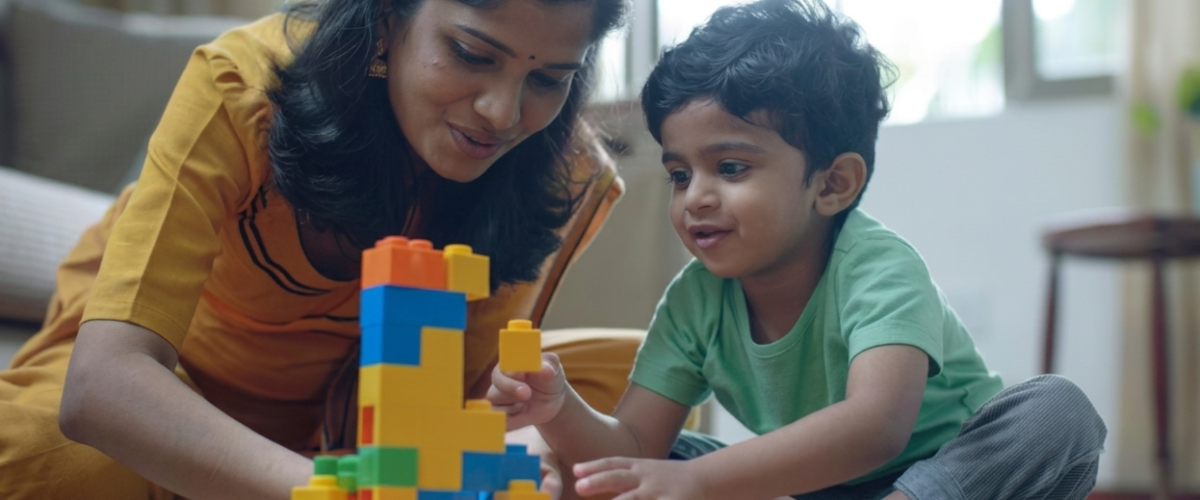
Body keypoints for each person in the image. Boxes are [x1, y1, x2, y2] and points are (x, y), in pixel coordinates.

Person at [0, 0, 629, 499]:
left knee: (636, 399)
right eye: (470, 53)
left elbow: (453, 401)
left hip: (366, 423)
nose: (502, 112)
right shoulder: (241, 87)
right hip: (180, 387)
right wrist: (331, 491)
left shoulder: (563, 172)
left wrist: (493, 464)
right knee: (51, 463)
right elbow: (101, 387)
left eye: (549, 79)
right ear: (388, 19)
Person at [487, 1, 1108, 499]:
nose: (695, 198)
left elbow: (876, 429)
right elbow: (636, 447)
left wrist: (700, 483)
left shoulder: (878, 267)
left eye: (730, 167)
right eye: (680, 175)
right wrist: (561, 409)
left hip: (951, 477)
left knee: (1057, 413)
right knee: (635, 469)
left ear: (833, 184)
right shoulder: (695, 300)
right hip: (813, 489)